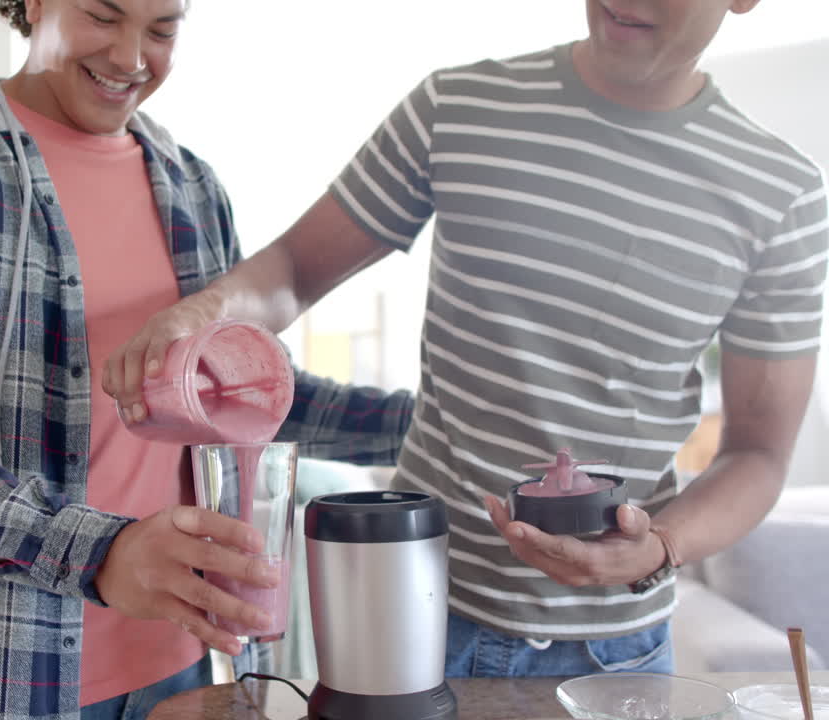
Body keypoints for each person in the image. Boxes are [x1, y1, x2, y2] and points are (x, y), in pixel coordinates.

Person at [107, 0, 829, 678]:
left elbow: (758, 455)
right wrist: (198, 315)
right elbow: (294, 269)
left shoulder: (782, 196)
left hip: (614, 652)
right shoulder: (459, 106)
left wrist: (660, 547)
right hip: (409, 617)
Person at [0, 0, 414, 718]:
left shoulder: (192, 186)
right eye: (104, 16)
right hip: (6, 681)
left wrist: (438, 424)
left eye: (162, 30)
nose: (132, 58)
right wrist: (102, 553)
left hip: (191, 668)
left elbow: (251, 395)